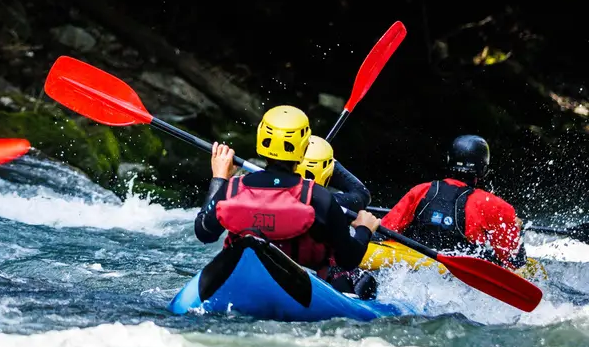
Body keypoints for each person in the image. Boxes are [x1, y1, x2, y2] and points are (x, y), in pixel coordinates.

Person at [195, 105, 381, 279]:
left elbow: (204, 233)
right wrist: (364, 229)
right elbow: (348, 260)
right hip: (298, 283)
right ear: (305, 147)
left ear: (261, 140)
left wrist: (219, 178)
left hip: (241, 276)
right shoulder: (319, 197)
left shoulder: (233, 188)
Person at [380, 134, 525, 269]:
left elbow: (386, 231)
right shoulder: (494, 205)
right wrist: (518, 231)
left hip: (412, 268)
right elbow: (513, 260)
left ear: (449, 160)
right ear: (483, 169)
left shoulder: (421, 191)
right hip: (456, 280)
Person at [295, 134, 378, 298]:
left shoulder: (270, 193)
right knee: (366, 280)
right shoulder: (334, 202)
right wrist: (332, 163)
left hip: (293, 267)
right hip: (329, 279)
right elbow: (361, 193)